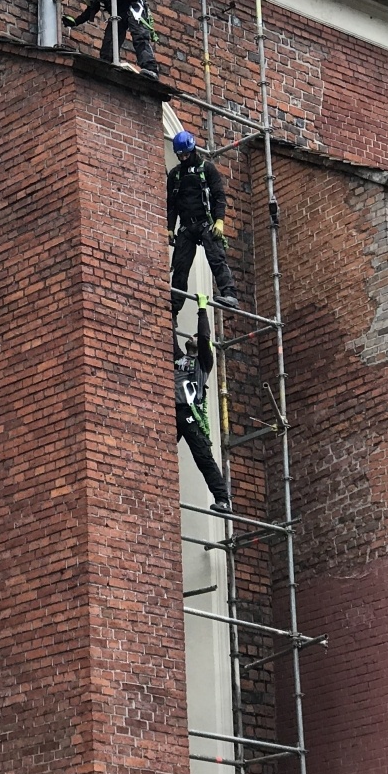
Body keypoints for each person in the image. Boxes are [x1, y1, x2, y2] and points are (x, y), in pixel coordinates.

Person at [168, 129, 238, 314]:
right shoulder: (175, 176)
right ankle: (173, 309)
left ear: (192, 151)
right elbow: (171, 205)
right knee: (180, 267)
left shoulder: (207, 169)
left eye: (185, 154)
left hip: (206, 222)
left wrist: (219, 221)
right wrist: (169, 228)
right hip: (186, 227)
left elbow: (219, 196)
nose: (183, 158)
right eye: (180, 155)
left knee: (216, 257)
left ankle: (229, 293)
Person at [62, 0, 160, 76]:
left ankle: (150, 68)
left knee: (139, 35)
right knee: (109, 42)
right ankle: (106, 70)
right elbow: (92, 8)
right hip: (117, 13)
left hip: (133, 7)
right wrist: (76, 21)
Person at [176, 301, 229, 508]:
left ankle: (222, 500)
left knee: (203, 457)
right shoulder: (179, 358)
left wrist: (202, 310)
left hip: (191, 415)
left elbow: (205, 338)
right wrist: (171, 310)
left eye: (195, 337)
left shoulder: (203, 363)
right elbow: (169, 336)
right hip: (172, 413)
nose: (193, 337)